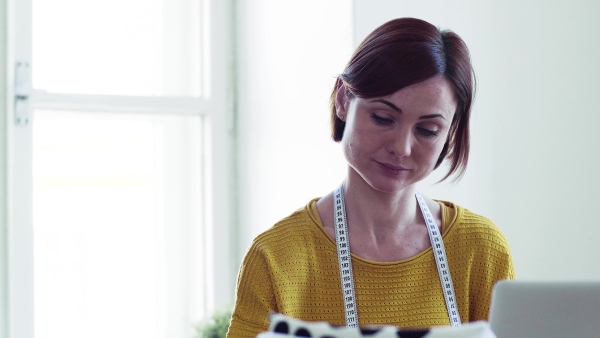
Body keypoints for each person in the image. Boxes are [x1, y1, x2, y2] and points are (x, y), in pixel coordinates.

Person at [226, 17, 515, 338]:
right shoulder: (276, 258)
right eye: (383, 118)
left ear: (450, 133)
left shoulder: (480, 249)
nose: (402, 147)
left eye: (427, 130)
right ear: (343, 100)